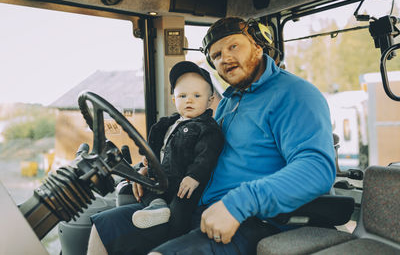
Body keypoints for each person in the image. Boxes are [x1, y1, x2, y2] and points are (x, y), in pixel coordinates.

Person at [87, 17, 336, 255]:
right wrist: (152, 169)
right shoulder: (228, 103)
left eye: (234, 46)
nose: (225, 58)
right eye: (216, 55)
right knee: (105, 227)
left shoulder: (294, 94)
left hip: (253, 219)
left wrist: (238, 204)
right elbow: (203, 153)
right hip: (196, 206)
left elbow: (317, 169)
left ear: (258, 47)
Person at [131, 61, 224, 234]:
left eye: (197, 96)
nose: (189, 100)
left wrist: (194, 176)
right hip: (161, 179)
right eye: (182, 96)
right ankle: (156, 206)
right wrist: (148, 161)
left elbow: (207, 155)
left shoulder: (207, 128)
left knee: (181, 208)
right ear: (174, 99)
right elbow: (159, 146)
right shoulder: (168, 124)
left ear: (210, 100)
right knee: (142, 190)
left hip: (184, 184)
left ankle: (174, 237)